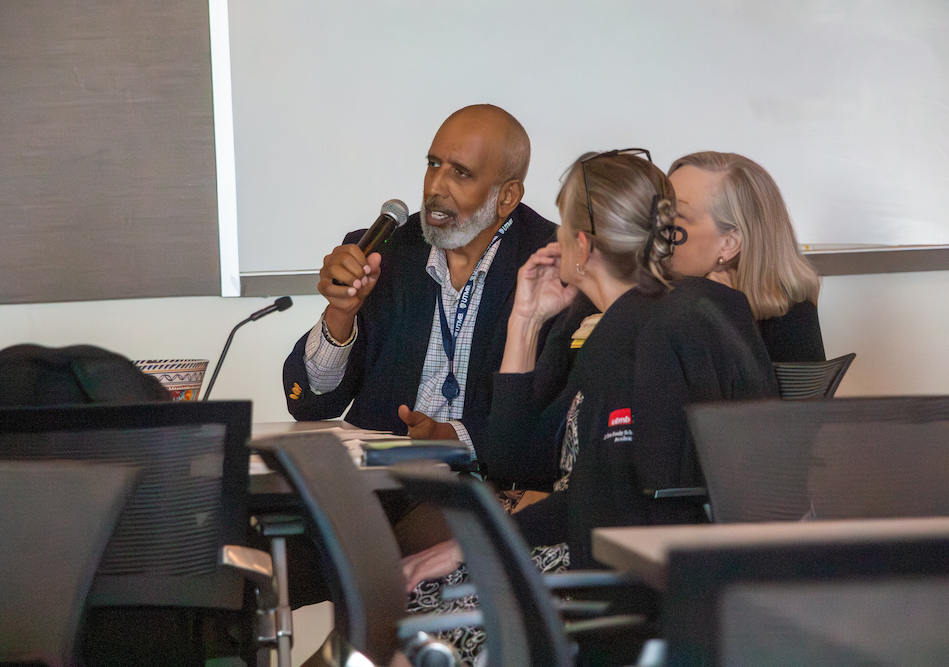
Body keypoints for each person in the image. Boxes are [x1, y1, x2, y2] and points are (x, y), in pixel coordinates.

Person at [403, 151, 778, 662]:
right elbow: (517, 462)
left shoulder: (643, 331)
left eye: (561, 227)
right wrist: (525, 323)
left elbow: (618, 500)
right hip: (637, 562)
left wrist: (480, 542)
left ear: (581, 244)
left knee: (414, 613)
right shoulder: (629, 321)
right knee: (417, 598)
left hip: (627, 579)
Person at [283, 104, 558, 456]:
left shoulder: (552, 263)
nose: (435, 187)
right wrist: (341, 313)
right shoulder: (385, 251)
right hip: (385, 480)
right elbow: (311, 405)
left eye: (460, 173)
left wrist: (457, 438)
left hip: (494, 483)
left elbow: (555, 413)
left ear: (506, 196)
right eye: (433, 165)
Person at [668, 151, 825, 362]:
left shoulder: (696, 316)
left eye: (677, 215)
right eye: (658, 208)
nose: (654, 225)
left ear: (729, 244)